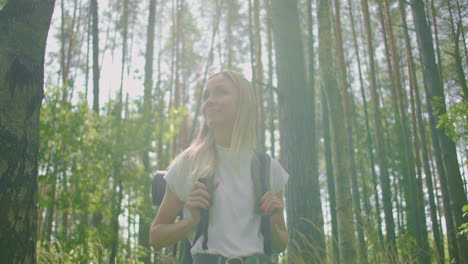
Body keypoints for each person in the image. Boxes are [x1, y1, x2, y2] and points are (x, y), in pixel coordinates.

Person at [149, 71, 289, 264]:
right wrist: (191, 221)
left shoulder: (269, 168)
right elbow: (155, 238)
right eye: (206, 96)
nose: (209, 102)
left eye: (221, 92)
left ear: (243, 103)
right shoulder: (188, 164)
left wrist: (272, 222)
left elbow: (281, 244)